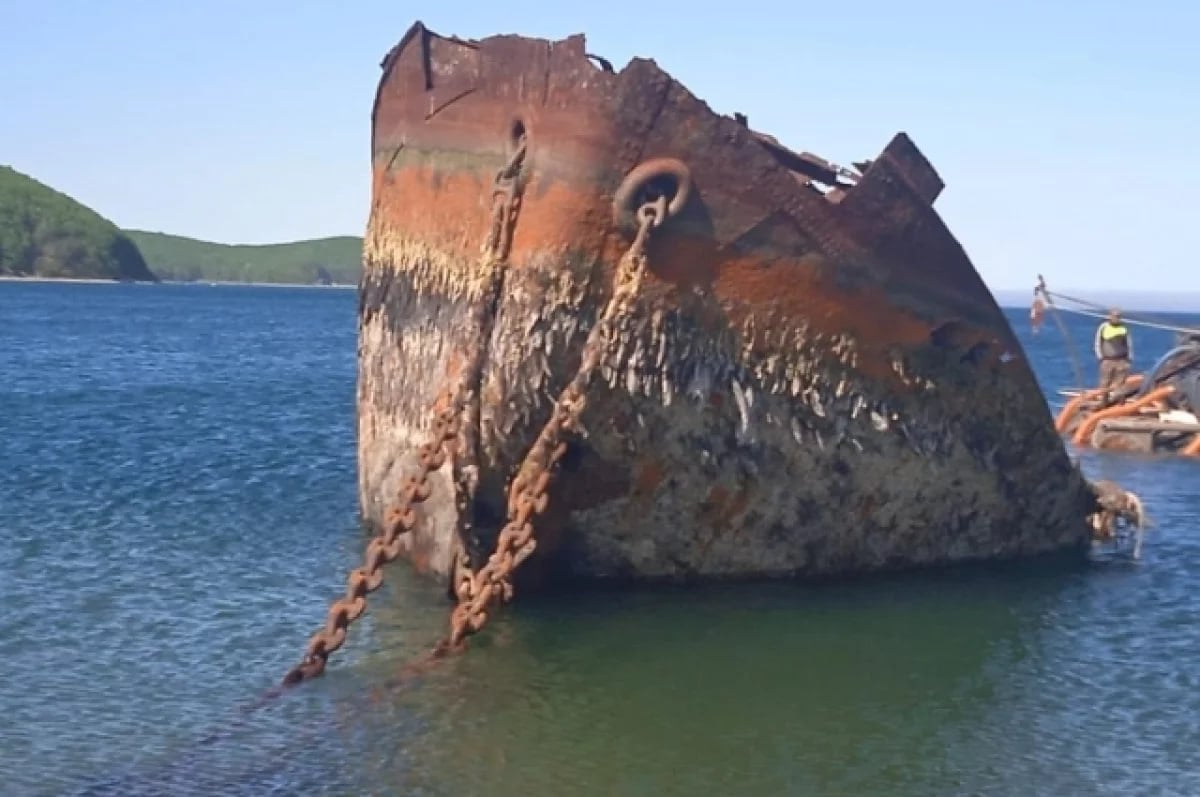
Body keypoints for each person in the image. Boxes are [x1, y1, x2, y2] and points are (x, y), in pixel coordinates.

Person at [1094, 308, 1132, 396]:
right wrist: (1100, 358)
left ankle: (1119, 404)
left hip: (1121, 360)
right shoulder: (1103, 327)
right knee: (1105, 383)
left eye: (1119, 316)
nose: (1117, 318)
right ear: (1110, 316)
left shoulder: (1124, 328)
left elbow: (1129, 343)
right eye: (1115, 316)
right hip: (1107, 360)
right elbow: (1098, 343)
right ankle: (1104, 403)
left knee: (1121, 384)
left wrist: (1129, 358)